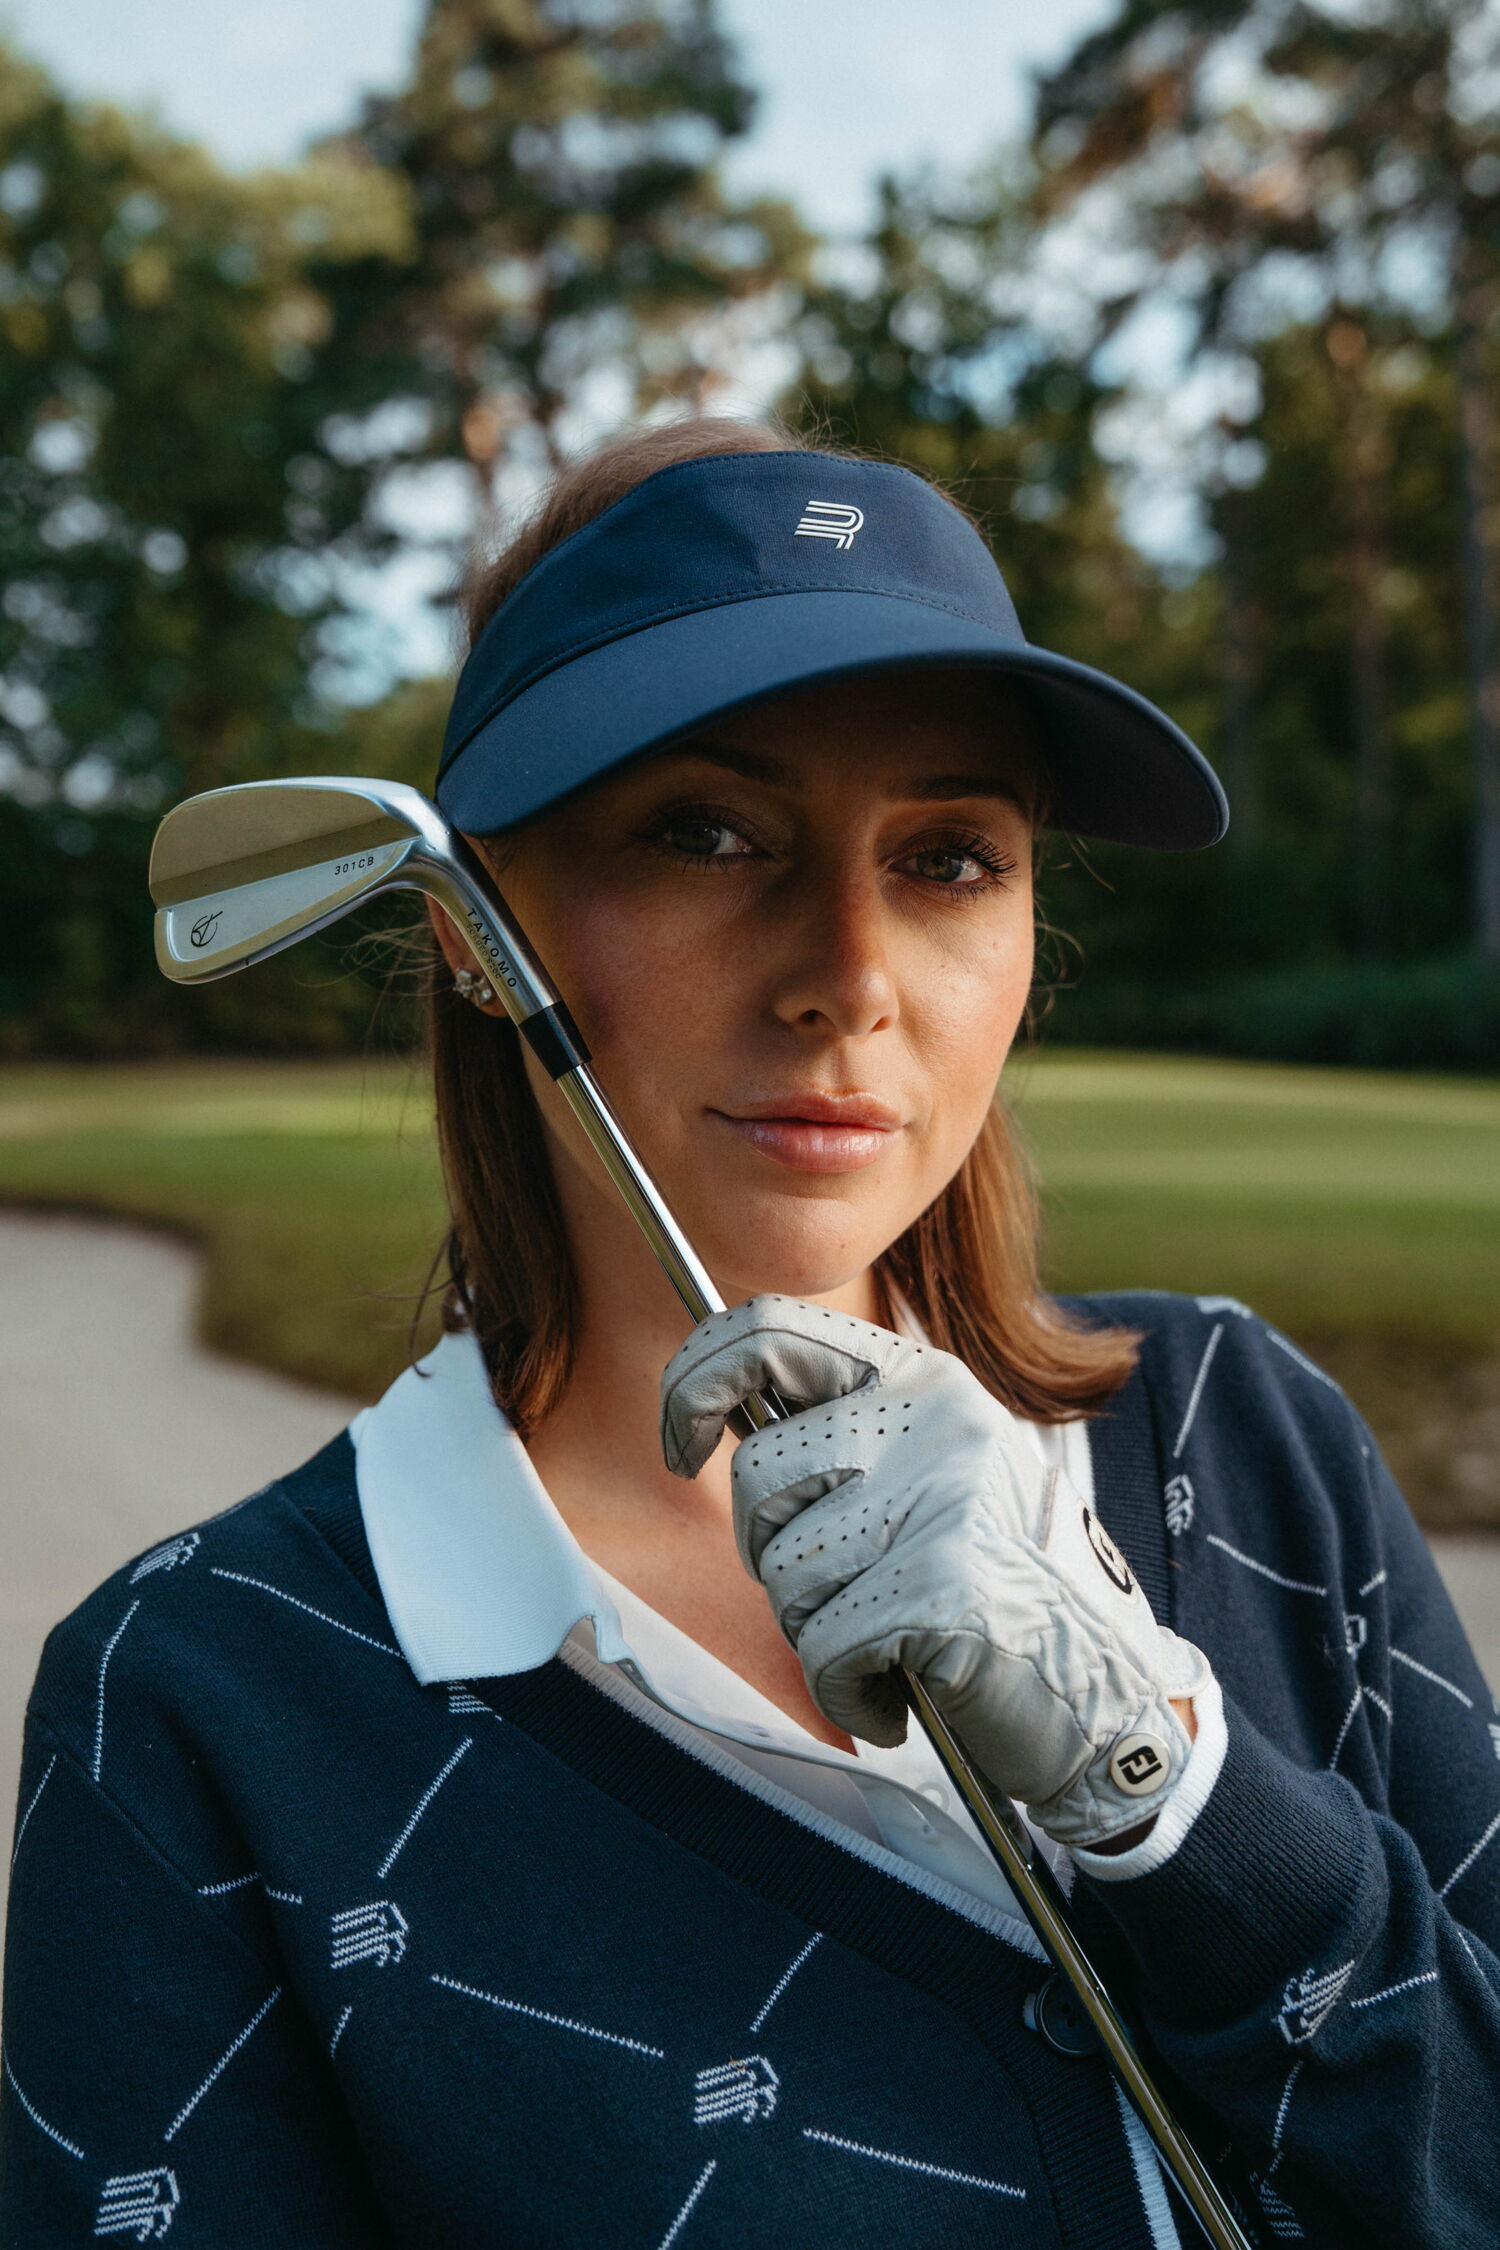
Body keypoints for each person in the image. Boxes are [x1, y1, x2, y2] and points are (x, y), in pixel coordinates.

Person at [2, 418, 1497, 2250]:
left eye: (950, 855)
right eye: (707, 832)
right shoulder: (197, 1697)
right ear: (476, 923)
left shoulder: (1244, 1436)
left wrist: (1165, 1781)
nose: (850, 976)